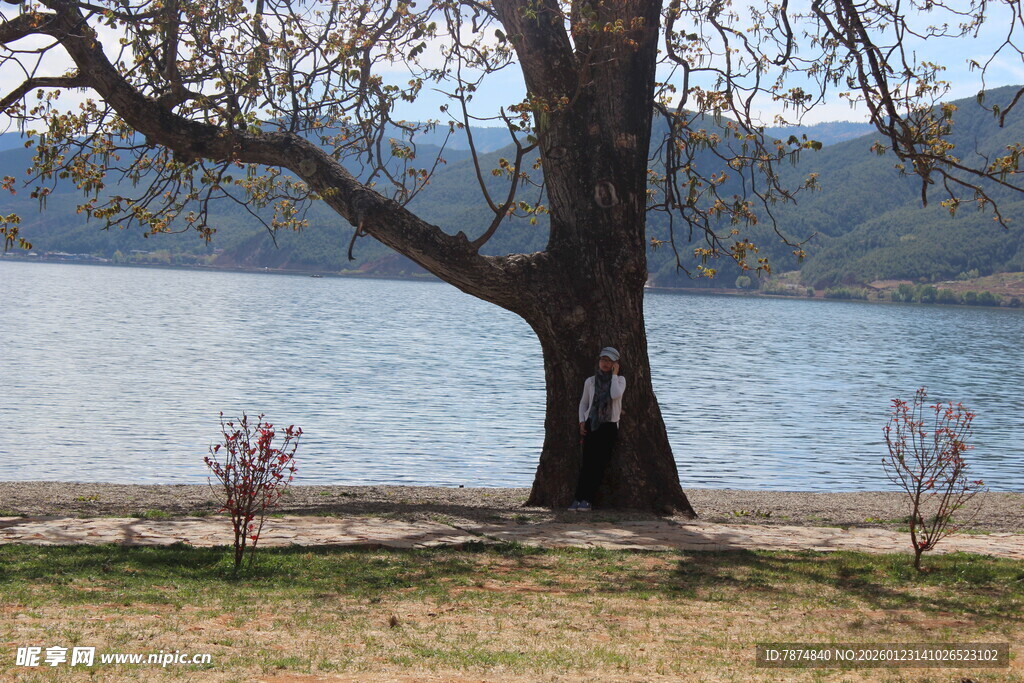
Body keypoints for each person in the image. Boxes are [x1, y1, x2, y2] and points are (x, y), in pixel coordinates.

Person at [570, 346, 626, 511]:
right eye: (603, 359)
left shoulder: (620, 380)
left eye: (609, 361)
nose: (605, 363)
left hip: (609, 426)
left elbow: (615, 395)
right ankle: (578, 498)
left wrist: (614, 375)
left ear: (616, 364)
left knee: (599, 464)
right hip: (591, 424)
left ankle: (587, 500)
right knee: (586, 463)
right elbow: (584, 403)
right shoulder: (591, 381)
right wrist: (581, 421)